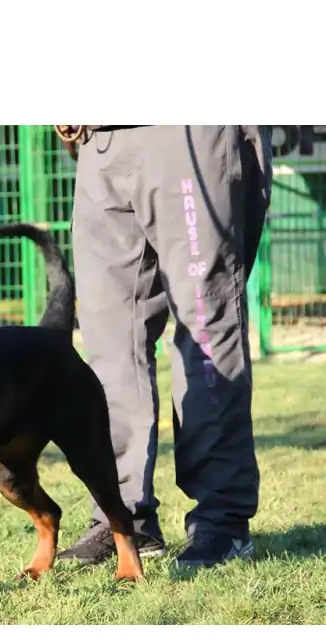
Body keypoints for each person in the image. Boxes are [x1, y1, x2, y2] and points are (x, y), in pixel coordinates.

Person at [55, 125, 273, 567]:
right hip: (100, 142)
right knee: (108, 340)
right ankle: (122, 518)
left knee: (205, 328)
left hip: (184, 133)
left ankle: (221, 520)